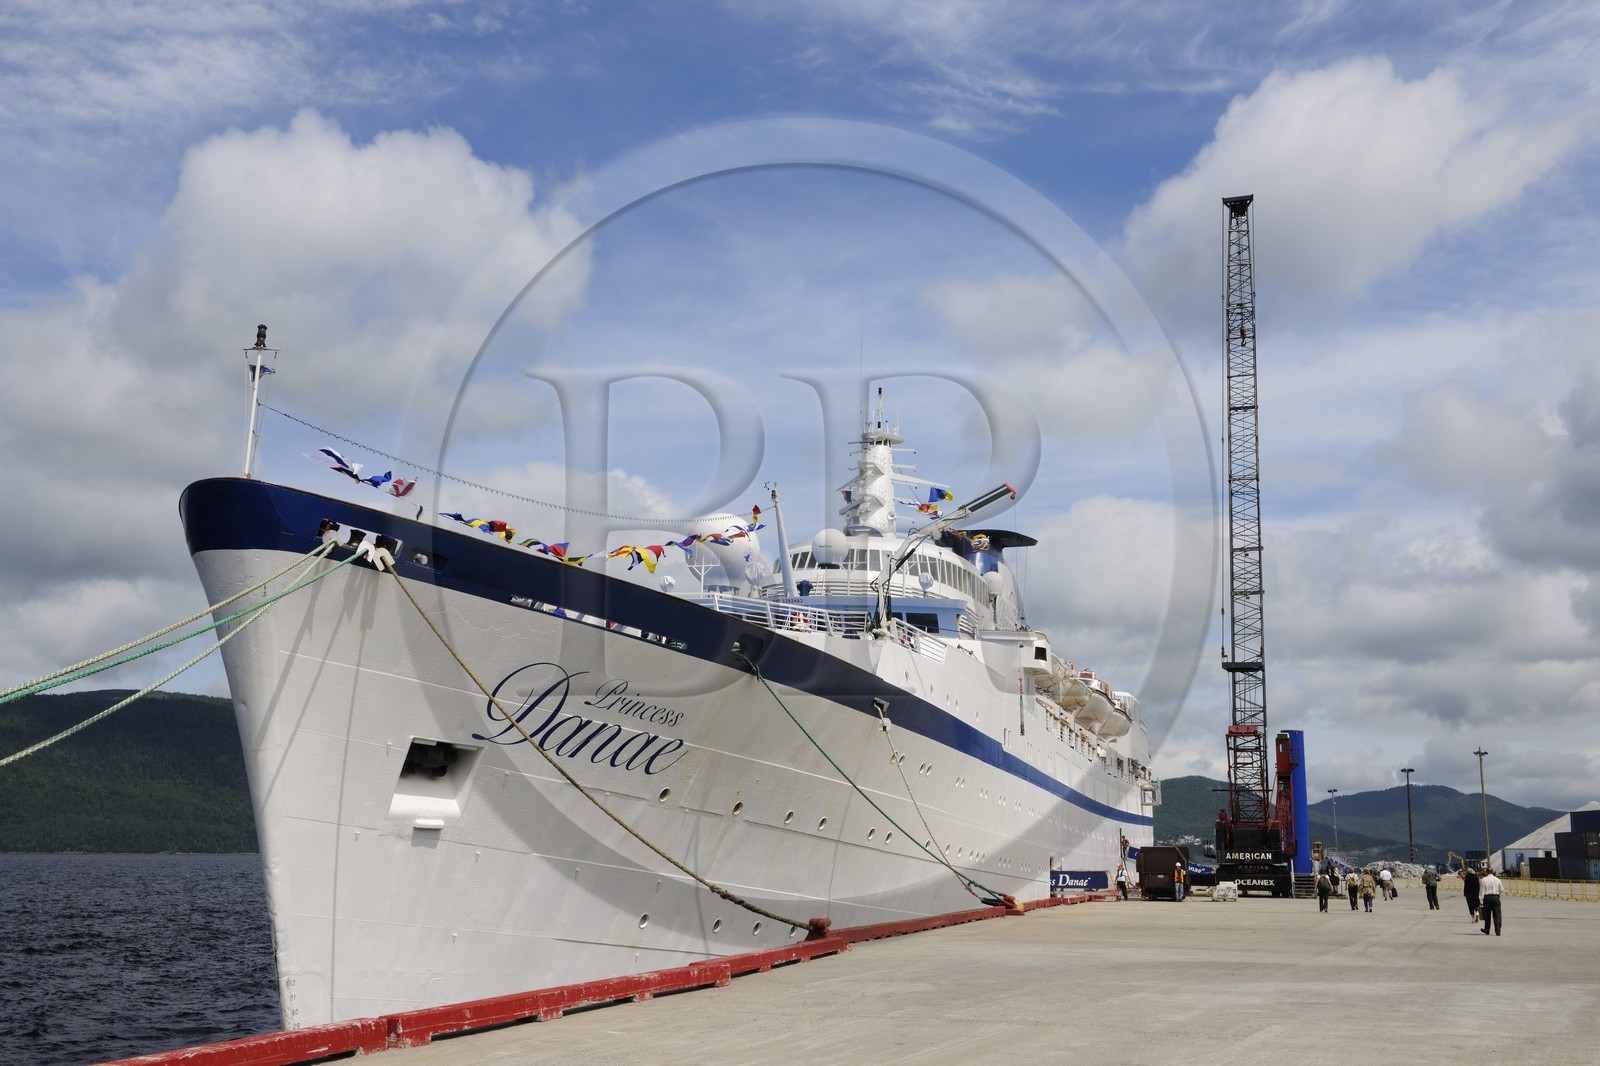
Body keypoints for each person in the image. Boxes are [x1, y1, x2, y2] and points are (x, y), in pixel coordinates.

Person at [1479, 869, 1504, 935]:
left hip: (1487, 898)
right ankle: (1498, 931)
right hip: (1495, 897)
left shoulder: (1484, 879)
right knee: (1497, 915)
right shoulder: (1497, 880)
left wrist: (1481, 900)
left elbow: (1482, 891)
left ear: (1487, 872)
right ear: (1492, 872)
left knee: (1487, 915)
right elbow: (1502, 890)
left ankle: (1487, 930)